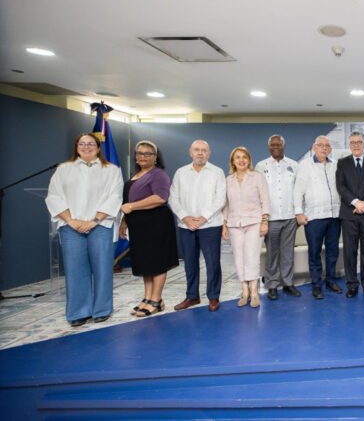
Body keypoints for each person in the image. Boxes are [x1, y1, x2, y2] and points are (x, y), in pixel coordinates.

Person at [45, 133, 123, 327]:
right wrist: (70, 220)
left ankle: (102, 309)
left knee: (102, 269)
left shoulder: (111, 170)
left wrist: (94, 221)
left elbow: (115, 197)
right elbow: (54, 196)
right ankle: (79, 312)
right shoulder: (64, 169)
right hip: (71, 226)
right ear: (76, 147)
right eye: (82, 143)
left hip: (100, 225)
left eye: (90, 144)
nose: (86, 147)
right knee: (75, 270)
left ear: (98, 147)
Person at [119, 140, 178, 318]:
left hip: (156, 223)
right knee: (146, 263)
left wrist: (132, 207)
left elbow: (160, 197)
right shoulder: (136, 175)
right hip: (138, 225)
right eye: (140, 153)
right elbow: (128, 202)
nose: (143, 156)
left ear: (155, 157)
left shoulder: (158, 174)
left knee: (157, 262)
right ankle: (148, 297)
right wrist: (124, 221)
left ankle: (156, 300)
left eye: (148, 154)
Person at [169, 140, 227, 312]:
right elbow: (173, 197)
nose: (200, 153)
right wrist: (185, 217)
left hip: (210, 225)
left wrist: (203, 218)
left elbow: (220, 199)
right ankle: (192, 296)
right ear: (190, 152)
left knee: (212, 263)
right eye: (196, 150)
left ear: (209, 153)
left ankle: (213, 296)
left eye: (204, 150)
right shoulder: (181, 173)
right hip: (186, 226)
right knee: (190, 262)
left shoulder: (217, 172)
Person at [294, 135, 341, 300]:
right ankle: (316, 285)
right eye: (321, 145)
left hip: (335, 216)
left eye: (327, 145)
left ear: (330, 149)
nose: (324, 148)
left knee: (332, 251)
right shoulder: (305, 165)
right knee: (314, 252)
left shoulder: (336, 164)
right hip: (314, 217)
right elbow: (298, 190)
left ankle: (331, 281)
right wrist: (299, 212)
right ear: (314, 148)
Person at [222, 147, 270, 308]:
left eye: (244, 157)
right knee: (239, 258)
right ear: (233, 161)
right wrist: (224, 225)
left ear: (249, 160)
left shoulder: (257, 177)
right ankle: (244, 291)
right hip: (234, 224)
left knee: (252, 257)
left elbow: (265, 200)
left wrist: (265, 221)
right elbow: (226, 205)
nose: (241, 160)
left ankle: (254, 292)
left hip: (255, 222)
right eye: (237, 157)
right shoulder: (228, 180)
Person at [255, 135, 301, 300]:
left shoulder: (294, 165)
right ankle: (272, 285)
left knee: (288, 253)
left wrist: (298, 212)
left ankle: (288, 283)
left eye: (278, 144)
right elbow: (258, 192)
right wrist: (262, 218)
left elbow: (298, 190)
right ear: (269, 147)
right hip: (270, 217)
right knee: (272, 253)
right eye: (272, 145)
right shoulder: (261, 166)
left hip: (289, 216)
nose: (275, 147)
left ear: (284, 146)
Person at [337, 131, 364, 298]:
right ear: (349, 145)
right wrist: (356, 202)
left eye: (359, 142)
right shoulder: (342, 163)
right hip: (349, 214)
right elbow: (341, 186)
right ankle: (352, 285)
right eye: (353, 142)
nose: (356, 145)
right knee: (350, 251)